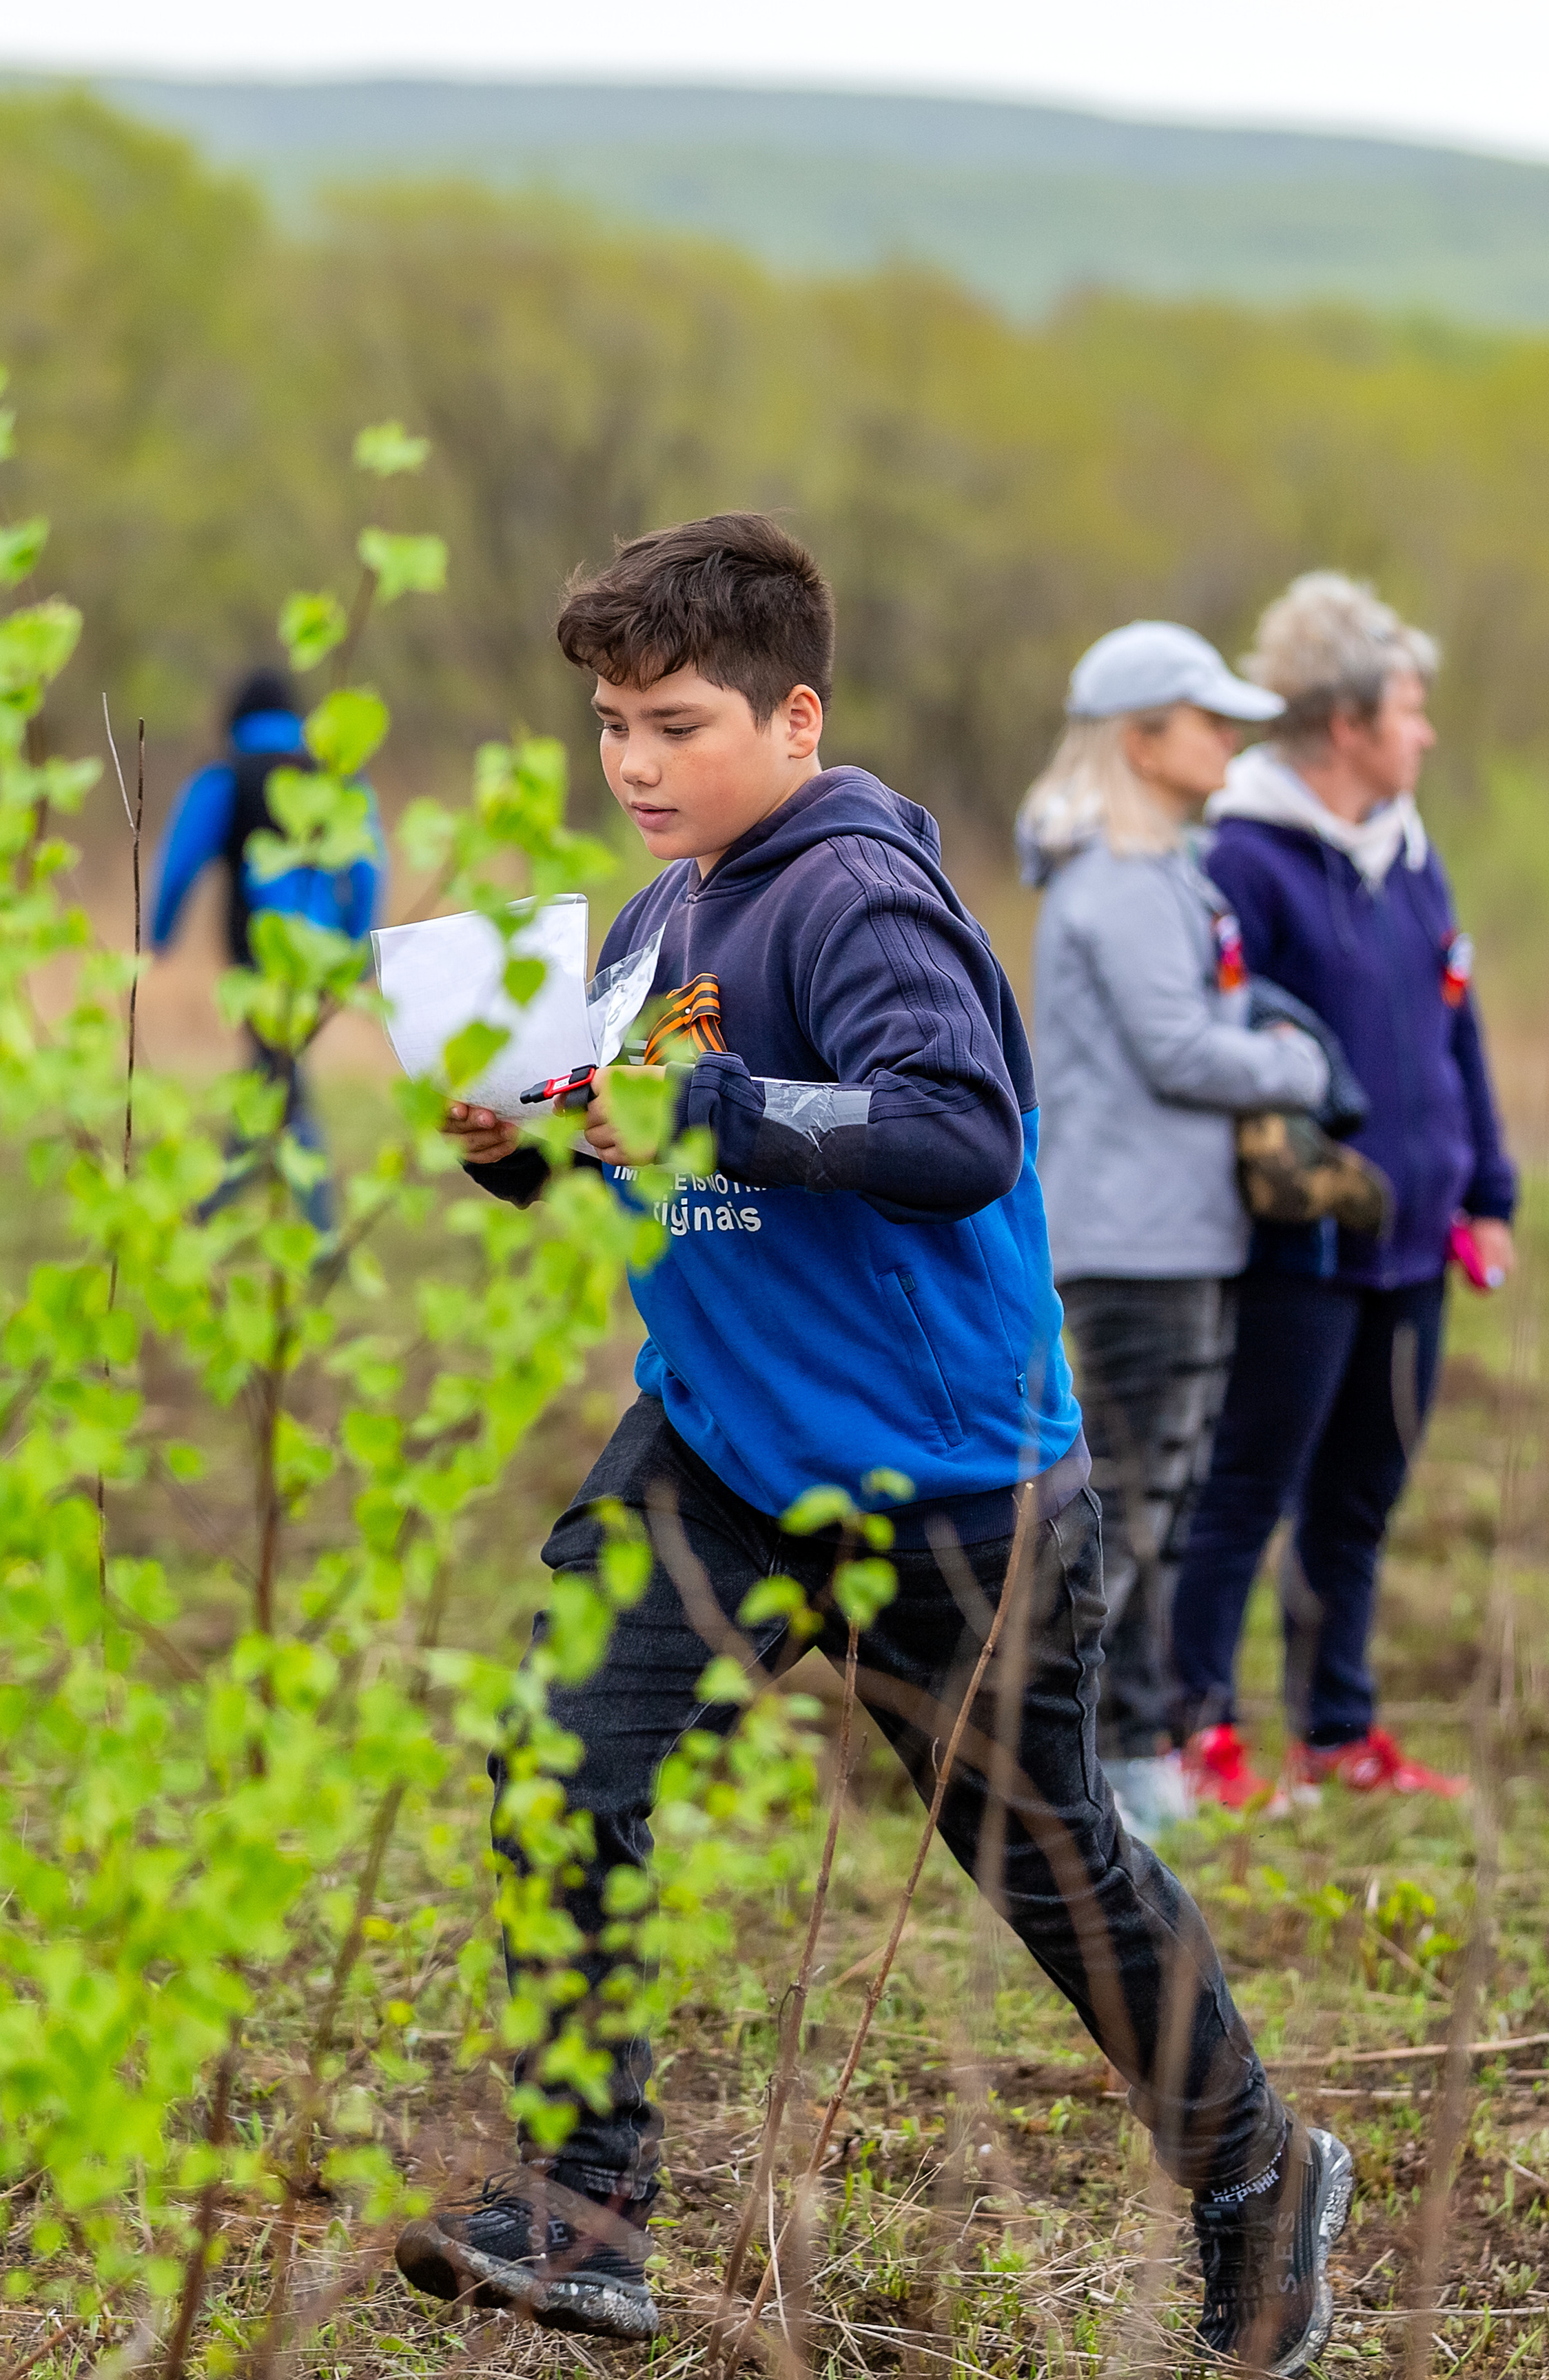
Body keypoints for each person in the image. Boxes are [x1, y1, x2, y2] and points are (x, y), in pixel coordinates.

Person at [398, 516, 1351, 2372]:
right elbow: (662, 1129)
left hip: (951, 1487)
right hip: (725, 1454)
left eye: (675, 722)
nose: (637, 762)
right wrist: (518, 1136)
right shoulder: (665, 912)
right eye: (611, 725)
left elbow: (956, 1130)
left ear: (793, 713)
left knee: (1050, 1864)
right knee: (559, 1751)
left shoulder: (854, 897)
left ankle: (1255, 2171)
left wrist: (711, 1102)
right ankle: (584, 2212)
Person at [1171, 574, 1516, 1804]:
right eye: (1411, 711)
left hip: (1417, 1239)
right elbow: (1225, 1040)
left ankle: (1339, 1733)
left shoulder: (1414, 859)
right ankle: (1197, 1733)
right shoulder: (1243, 858)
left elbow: (1455, 1030)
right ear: (1351, 723)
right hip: (1300, 1246)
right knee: (1245, 1484)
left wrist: (1487, 1191)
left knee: (1363, 1495)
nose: (1426, 733)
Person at [1018, 622, 1334, 1837]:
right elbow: (1180, 1048)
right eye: (1209, 722)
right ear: (1142, 741)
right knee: (1131, 1515)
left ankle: (1135, 1752)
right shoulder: (1117, 881)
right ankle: (1099, 1768)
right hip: (1133, 1243)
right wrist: (1300, 1068)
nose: (1231, 741)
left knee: (1164, 1502)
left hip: (1179, 1235)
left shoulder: (1163, 871)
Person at [150, 667, 387, 1231]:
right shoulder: (337, 774)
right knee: (275, 1071)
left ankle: (297, 1217)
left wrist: (158, 937)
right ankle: (228, 1195)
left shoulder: (223, 776)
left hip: (258, 954)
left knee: (278, 1074)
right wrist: (356, 948)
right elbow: (371, 864)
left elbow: (178, 861)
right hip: (323, 952)